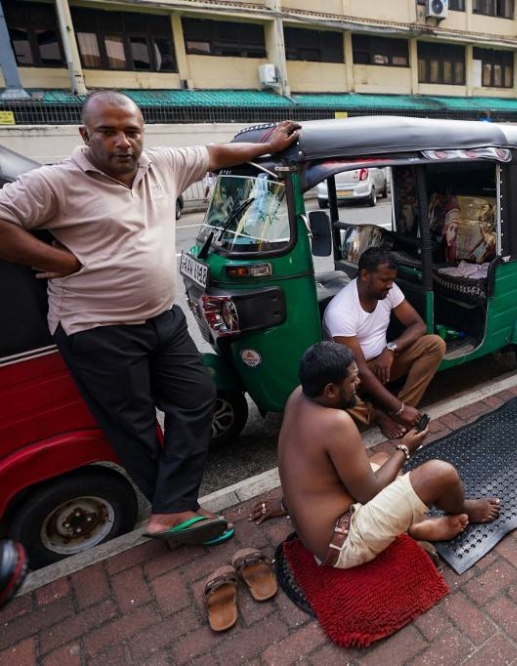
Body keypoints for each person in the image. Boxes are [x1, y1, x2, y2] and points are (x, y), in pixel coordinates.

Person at [0, 90, 301, 545]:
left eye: (131, 130)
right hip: (97, 329)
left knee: (197, 396)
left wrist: (266, 146)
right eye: (108, 132)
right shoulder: (56, 182)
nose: (122, 141)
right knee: (134, 423)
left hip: (162, 317)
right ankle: (176, 510)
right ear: (86, 135)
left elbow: (216, 153)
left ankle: (169, 508)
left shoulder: (162, 164)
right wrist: (60, 261)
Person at [277, 341, 500, 568]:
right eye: (352, 380)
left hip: (317, 536)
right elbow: (369, 494)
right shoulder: (336, 423)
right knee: (440, 473)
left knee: (383, 461)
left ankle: (417, 526)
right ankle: (463, 508)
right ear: (330, 390)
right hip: (343, 544)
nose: (358, 382)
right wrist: (405, 449)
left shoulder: (298, 397)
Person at [323, 247, 446, 439]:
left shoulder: (389, 291)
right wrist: (400, 408)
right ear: (365, 275)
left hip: (383, 364)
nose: (390, 285)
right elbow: (361, 370)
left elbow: (418, 325)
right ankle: (378, 416)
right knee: (334, 397)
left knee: (434, 344)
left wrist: (391, 349)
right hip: (353, 376)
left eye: (392, 280)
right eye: (384, 280)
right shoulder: (341, 311)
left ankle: (399, 412)